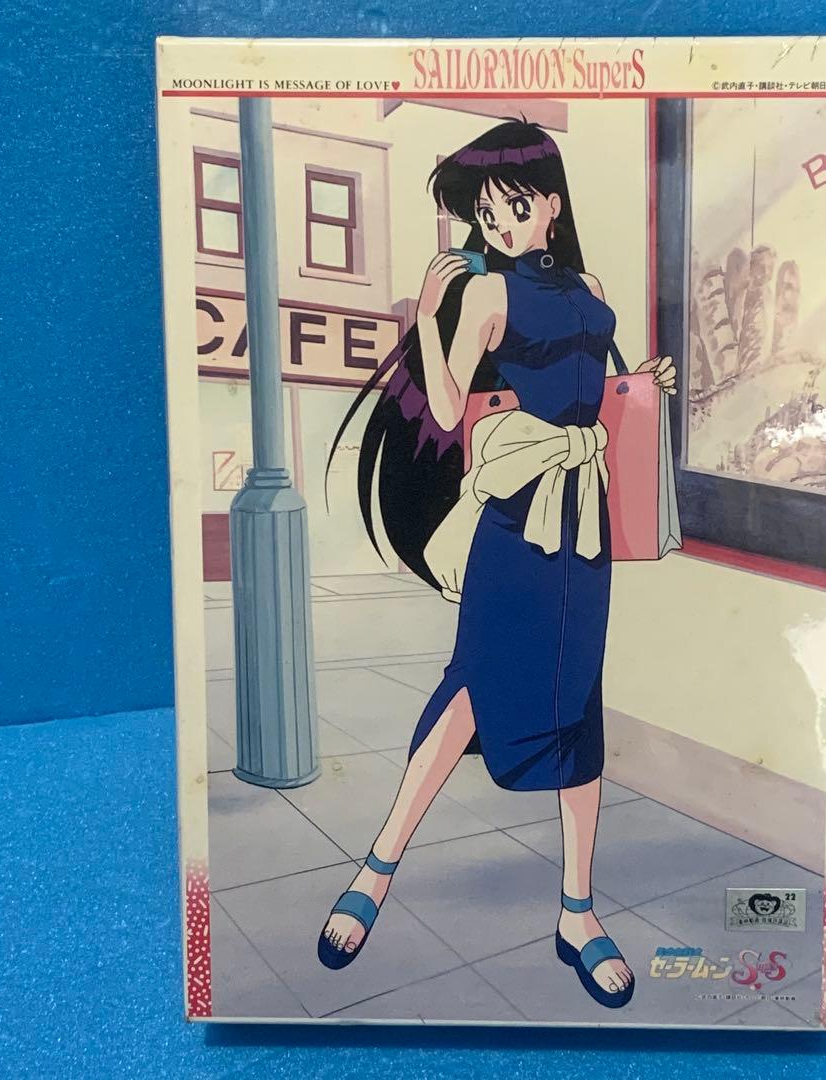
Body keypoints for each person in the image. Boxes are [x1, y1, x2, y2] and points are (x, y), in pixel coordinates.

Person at [318, 119, 675, 1008]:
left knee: (578, 696)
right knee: (475, 683)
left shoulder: (590, 288)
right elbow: (448, 409)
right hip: (518, 517)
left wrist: (639, 386)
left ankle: (578, 913)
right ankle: (377, 867)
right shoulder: (487, 293)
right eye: (489, 215)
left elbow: (593, 389)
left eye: (516, 207)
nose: (503, 226)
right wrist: (424, 320)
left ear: (551, 203)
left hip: (584, 518)